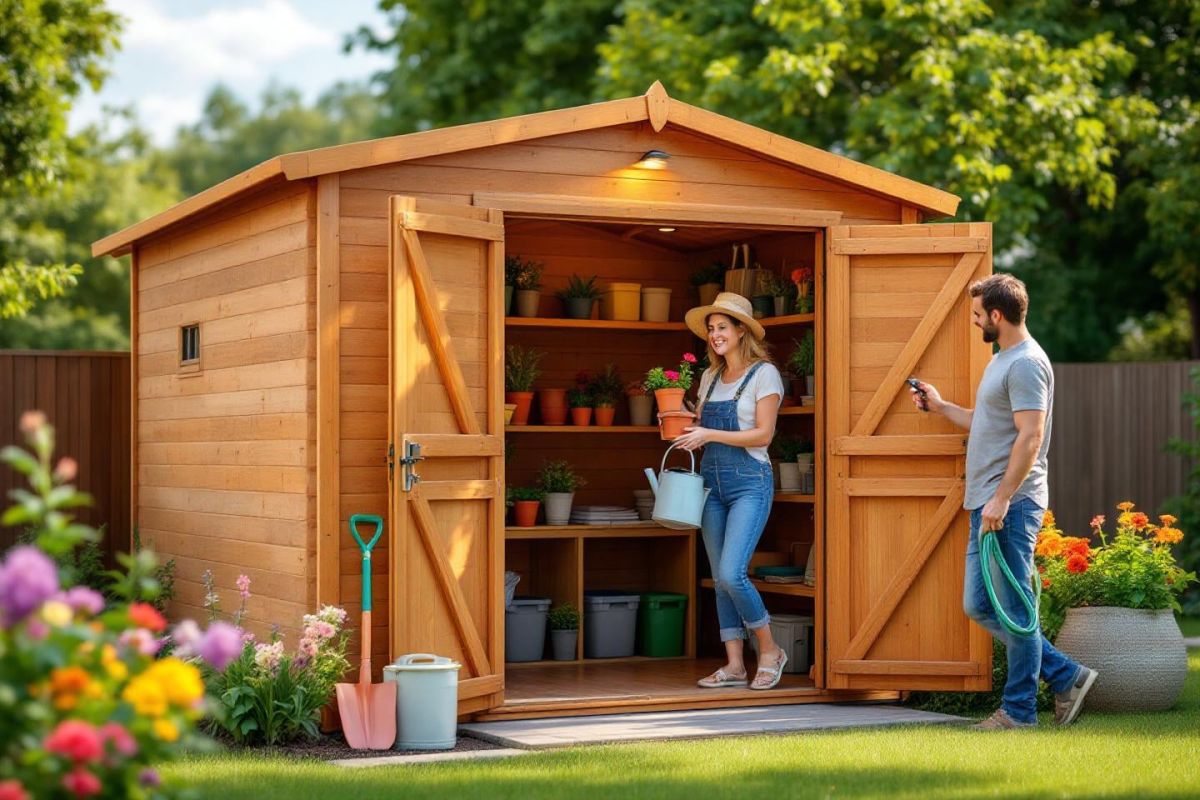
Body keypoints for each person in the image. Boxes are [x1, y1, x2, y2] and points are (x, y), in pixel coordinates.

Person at [911, 273, 1097, 729]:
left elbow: (1030, 436)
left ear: (997, 314)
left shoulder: (1027, 363)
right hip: (987, 503)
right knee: (979, 604)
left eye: (978, 315)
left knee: (1015, 610)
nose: (975, 323)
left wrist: (1001, 499)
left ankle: (1018, 712)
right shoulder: (1002, 361)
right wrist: (940, 407)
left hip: (1008, 505)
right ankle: (1067, 675)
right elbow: (988, 421)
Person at [675, 292, 788, 690]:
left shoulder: (764, 375)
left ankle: (770, 649)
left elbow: (763, 434)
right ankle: (736, 664)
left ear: (742, 331)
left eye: (723, 327)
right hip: (711, 483)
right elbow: (702, 432)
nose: (715, 335)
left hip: (749, 483)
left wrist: (708, 431)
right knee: (718, 578)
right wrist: (683, 422)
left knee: (731, 573)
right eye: (711, 329)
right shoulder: (709, 377)